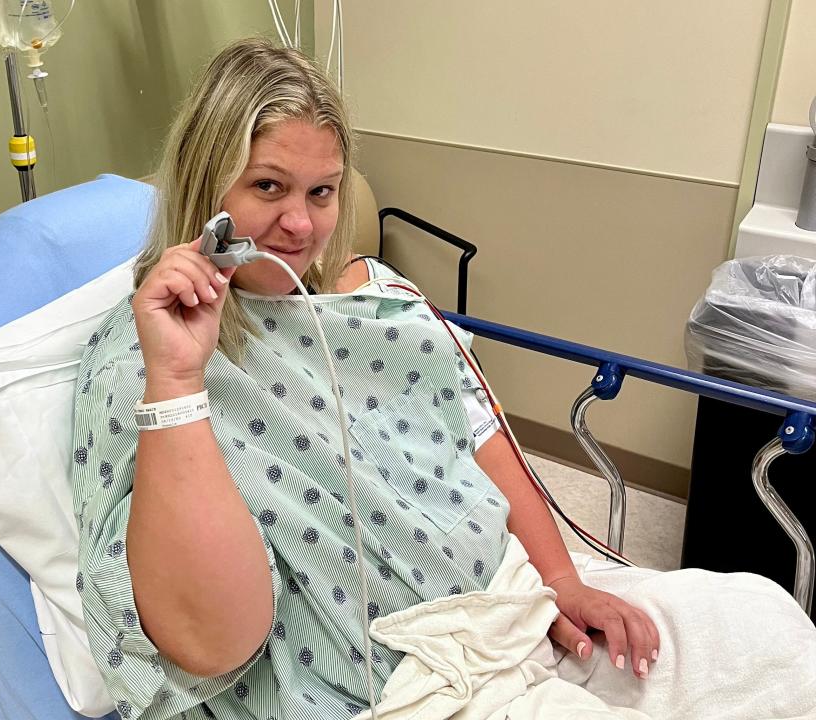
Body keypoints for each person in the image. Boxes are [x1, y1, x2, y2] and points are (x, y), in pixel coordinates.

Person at [71, 38, 811, 720]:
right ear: (207, 182)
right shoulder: (147, 359)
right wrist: (176, 383)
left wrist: (563, 580)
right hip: (402, 677)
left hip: (513, 598)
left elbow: (478, 434)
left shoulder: (371, 297)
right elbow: (213, 644)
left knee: (766, 622)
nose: (301, 224)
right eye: (269, 187)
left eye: (323, 192)